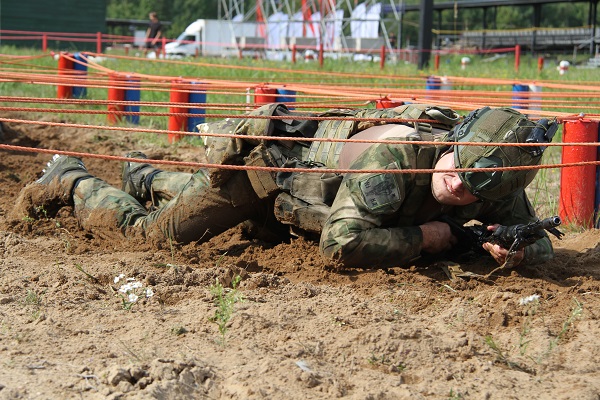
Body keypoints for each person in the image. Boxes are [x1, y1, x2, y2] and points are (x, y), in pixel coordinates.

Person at [12, 103, 556, 270]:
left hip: (310, 199)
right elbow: (342, 243)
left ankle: (147, 175)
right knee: (156, 237)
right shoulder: (399, 160)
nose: (459, 184)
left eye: (477, 186)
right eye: (458, 167)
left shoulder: (496, 173)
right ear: (452, 143)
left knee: (241, 221)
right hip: (264, 174)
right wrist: (429, 237)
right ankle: (72, 178)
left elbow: (540, 240)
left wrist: (511, 245)